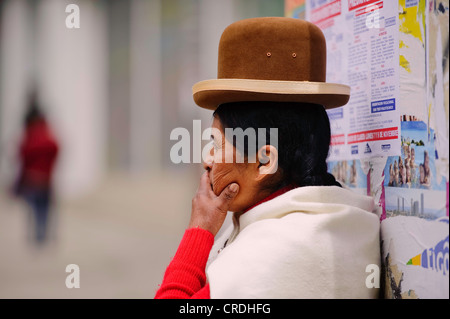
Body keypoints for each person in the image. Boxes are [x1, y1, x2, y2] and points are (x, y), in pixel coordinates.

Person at [155, 17, 380, 299]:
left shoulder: (265, 256)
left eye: (216, 143)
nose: (207, 160)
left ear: (265, 161)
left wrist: (199, 230)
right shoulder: (349, 222)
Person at [14, 95, 59, 244]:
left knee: (35, 210)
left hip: (33, 179)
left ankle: (37, 237)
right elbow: (55, 149)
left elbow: (22, 154)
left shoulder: (31, 137)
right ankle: (42, 236)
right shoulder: (48, 136)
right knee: (43, 210)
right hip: (45, 178)